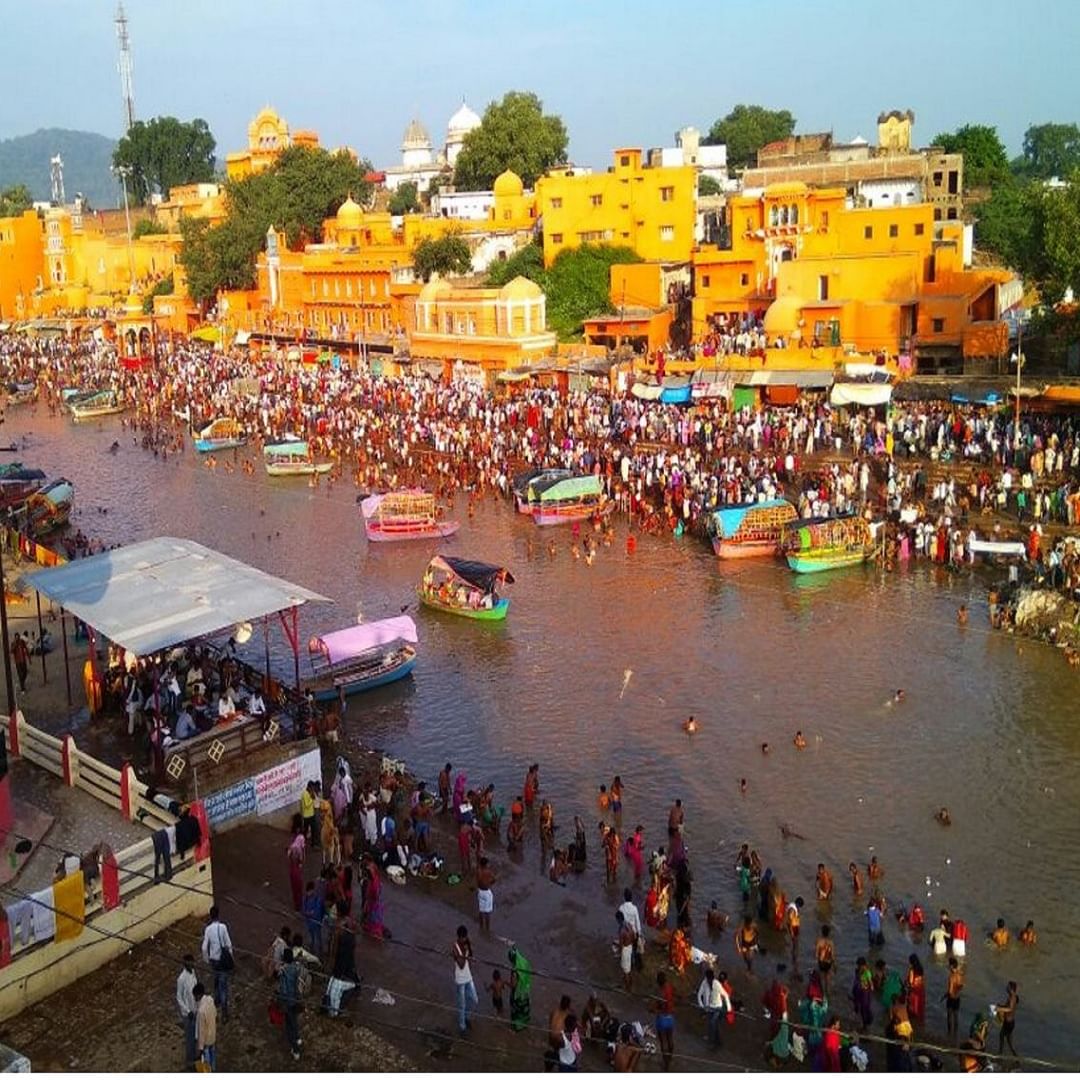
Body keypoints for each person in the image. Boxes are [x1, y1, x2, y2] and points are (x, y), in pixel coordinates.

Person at [200, 906, 233, 1020]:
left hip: (214, 960)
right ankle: (224, 1013)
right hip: (222, 960)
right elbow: (228, 944)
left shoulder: (208, 929)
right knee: (223, 986)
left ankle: (217, 1000)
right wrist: (231, 958)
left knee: (217, 978)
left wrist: (207, 959)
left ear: (210, 915)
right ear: (218, 915)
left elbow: (204, 947)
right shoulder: (223, 927)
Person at [277, 947, 302, 1060]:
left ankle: (295, 1050)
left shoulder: (283, 971)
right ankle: (298, 1038)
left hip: (287, 1001)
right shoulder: (295, 968)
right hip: (295, 999)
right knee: (294, 1021)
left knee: (289, 1026)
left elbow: (283, 988)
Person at [453, 925, 478, 1034]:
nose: (465, 939)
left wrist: (469, 948)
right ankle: (462, 1026)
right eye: (464, 938)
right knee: (462, 1004)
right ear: (460, 937)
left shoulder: (466, 944)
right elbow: (461, 964)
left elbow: (471, 957)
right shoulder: (455, 947)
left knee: (474, 999)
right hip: (460, 979)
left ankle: (467, 1017)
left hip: (468, 976)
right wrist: (466, 952)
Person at [697, 966, 729, 1048]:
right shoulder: (704, 983)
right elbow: (699, 994)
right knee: (711, 1024)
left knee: (713, 1023)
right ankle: (714, 1039)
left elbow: (725, 995)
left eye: (711, 979)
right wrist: (702, 1006)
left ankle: (714, 1043)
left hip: (717, 1007)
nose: (709, 981)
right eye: (708, 979)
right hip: (708, 1008)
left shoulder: (717, 984)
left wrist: (728, 1008)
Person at [176, 954, 198, 1069]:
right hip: (188, 1013)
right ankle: (190, 1061)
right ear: (185, 964)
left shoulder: (193, 972)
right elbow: (179, 997)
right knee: (190, 1038)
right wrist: (188, 1011)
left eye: (192, 962)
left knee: (196, 1035)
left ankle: (195, 1057)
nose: (192, 965)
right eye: (189, 963)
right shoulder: (181, 979)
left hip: (195, 1009)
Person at [652, 971, 676, 1070]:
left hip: (662, 1018)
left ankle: (666, 1064)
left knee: (663, 1042)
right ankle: (670, 1057)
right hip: (670, 1017)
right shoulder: (670, 987)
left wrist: (653, 1009)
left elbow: (657, 1007)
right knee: (670, 1038)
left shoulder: (659, 992)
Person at [508, 945, 532, 1032]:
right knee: (524, 1009)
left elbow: (513, 985)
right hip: (525, 991)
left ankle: (517, 1028)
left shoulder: (515, 970)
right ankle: (525, 1024)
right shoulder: (524, 963)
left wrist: (507, 983)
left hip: (518, 994)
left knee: (516, 1011)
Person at [360, 855, 384, 939]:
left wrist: (368, 901)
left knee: (373, 918)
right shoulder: (374, 879)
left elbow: (374, 895)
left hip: (373, 903)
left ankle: (374, 931)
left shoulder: (372, 882)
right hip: (374, 902)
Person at [194, 982, 216, 1072]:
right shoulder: (210, 1000)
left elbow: (201, 1031)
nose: (195, 998)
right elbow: (215, 1014)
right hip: (213, 1035)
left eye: (195, 996)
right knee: (213, 1055)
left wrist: (200, 1048)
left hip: (206, 1040)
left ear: (198, 995)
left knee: (206, 1062)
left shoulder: (201, 1011)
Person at [287, 813, 306, 912]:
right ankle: (299, 905)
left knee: (295, 886)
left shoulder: (294, 838)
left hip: (293, 864)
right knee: (298, 886)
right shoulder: (300, 838)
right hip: (297, 864)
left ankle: (297, 905)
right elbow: (302, 851)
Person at [996, 980, 1019, 1058]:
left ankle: (1000, 1054)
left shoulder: (1013, 997)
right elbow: (1006, 1007)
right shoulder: (1011, 996)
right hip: (1008, 1022)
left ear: (1011, 989)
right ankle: (1015, 1057)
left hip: (1009, 1023)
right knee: (1008, 1041)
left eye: (1008, 987)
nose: (1006, 988)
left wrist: (1000, 1009)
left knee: (1002, 1036)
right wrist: (1000, 1006)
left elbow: (1010, 1009)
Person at [944, 956, 964, 1040]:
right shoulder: (960, 974)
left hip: (951, 998)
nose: (948, 966)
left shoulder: (951, 977)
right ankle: (955, 1034)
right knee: (956, 1017)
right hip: (958, 998)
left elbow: (950, 991)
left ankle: (949, 1033)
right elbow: (961, 986)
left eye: (949, 965)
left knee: (949, 1016)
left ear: (952, 966)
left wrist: (946, 995)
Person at [616, 911, 636, 990]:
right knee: (628, 968)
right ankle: (628, 982)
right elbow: (634, 936)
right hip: (630, 947)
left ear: (618, 919)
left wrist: (619, 953)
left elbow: (621, 944)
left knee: (625, 970)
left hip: (625, 949)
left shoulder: (622, 931)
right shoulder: (629, 925)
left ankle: (627, 988)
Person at [476, 857, 495, 932]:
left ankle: (481, 926)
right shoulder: (488, 872)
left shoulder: (478, 871)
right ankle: (487, 928)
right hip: (486, 892)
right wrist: (489, 883)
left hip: (480, 891)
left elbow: (478, 881)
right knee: (487, 912)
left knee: (481, 910)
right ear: (486, 864)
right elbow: (494, 880)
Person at [906, 954, 926, 1024]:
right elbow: (923, 980)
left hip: (914, 991)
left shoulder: (912, 970)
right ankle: (919, 1023)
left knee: (912, 1008)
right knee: (919, 1007)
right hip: (920, 990)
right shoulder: (921, 968)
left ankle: (912, 1024)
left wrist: (907, 985)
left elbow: (911, 982)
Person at [815, 924, 835, 994]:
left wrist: (818, 959)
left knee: (821, 978)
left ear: (822, 932)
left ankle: (822, 992)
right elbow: (832, 955)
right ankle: (827, 992)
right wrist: (834, 964)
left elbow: (816, 954)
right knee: (828, 978)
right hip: (828, 962)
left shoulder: (819, 942)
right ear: (828, 933)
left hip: (821, 962)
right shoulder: (831, 942)